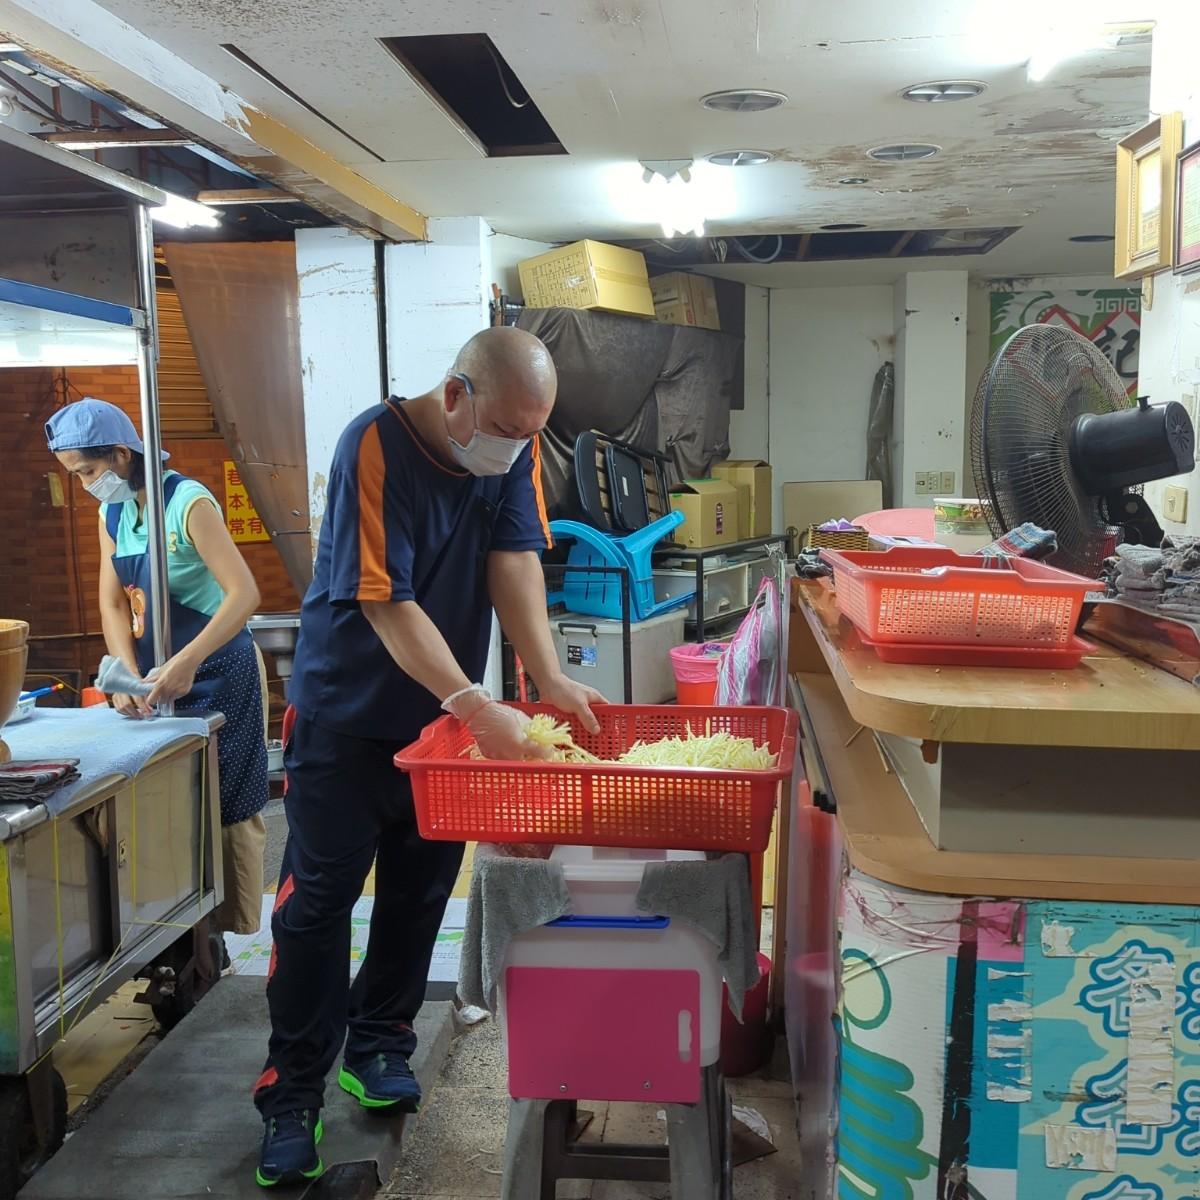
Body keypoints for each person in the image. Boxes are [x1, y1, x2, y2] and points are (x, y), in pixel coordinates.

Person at [253, 327, 603, 1188]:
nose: (516, 448)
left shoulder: (511, 448)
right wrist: (479, 706)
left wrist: (548, 675)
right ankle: (291, 1092)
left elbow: (513, 562)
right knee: (317, 908)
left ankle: (378, 1044)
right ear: (455, 395)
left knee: (419, 893)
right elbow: (386, 603)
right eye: (507, 429)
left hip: (439, 734)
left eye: (530, 433)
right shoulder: (374, 446)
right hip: (346, 723)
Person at [46, 398, 269, 945]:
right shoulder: (113, 513)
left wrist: (188, 660)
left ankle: (225, 925)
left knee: (226, 798)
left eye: (89, 472)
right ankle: (175, 927)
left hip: (220, 670)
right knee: (167, 798)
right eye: (77, 476)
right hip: (155, 679)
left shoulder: (187, 502)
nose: (86, 487)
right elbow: (113, 603)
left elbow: (244, 594)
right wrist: (125, 671)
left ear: (122, 455)